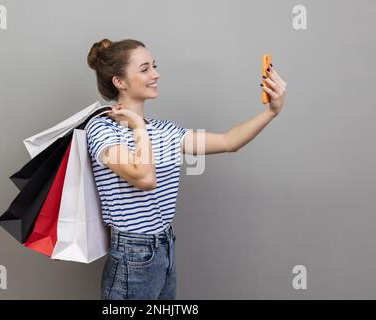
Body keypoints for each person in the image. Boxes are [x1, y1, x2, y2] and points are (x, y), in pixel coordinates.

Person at [85, 38, 287, 300]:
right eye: (145, 69)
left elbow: (229, 141)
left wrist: (272, 111)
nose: (156, 74)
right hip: (132, 255)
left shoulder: (165, 131)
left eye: (154, 66)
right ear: (119, 81)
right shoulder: (101, 129)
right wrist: (137, 126)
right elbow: (145, 178)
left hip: (165, 247)